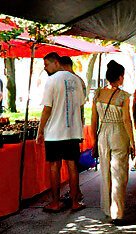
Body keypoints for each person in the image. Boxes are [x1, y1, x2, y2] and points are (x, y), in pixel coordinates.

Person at [37, 52, 87, 212]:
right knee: (72, 165)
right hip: (72, 131)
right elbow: (80, 104)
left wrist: (40, 130)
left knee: (54, 166)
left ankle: (55, 202)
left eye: (46, 65)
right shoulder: (77, 80)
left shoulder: (51, 81)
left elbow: (47, 108)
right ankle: (74, 202)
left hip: (54, 132)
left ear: (56, 63)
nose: (45, 68)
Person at [91, 61, 136, 220]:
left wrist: (94, 140)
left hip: (103, 134)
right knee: (119, 173)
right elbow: (126, 120)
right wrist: (132, 141)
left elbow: (93, 120)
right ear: (120, 77)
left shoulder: (97, 94)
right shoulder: (124, 96)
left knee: (106, 172)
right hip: (119, 134)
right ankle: (117, 212)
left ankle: (107, 209)